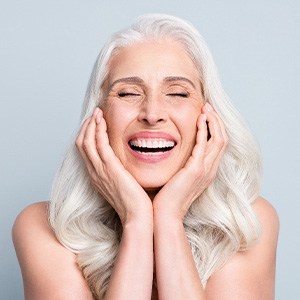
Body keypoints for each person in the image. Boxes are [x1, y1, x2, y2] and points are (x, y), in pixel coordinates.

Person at [12, 14, 279, 300]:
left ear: (208, 115)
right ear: (98, 116)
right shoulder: (42, 227)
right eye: (127, 93)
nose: (152, 114)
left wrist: (168, 217)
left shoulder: (245, 222)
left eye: (177, 93)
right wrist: (137, 220)